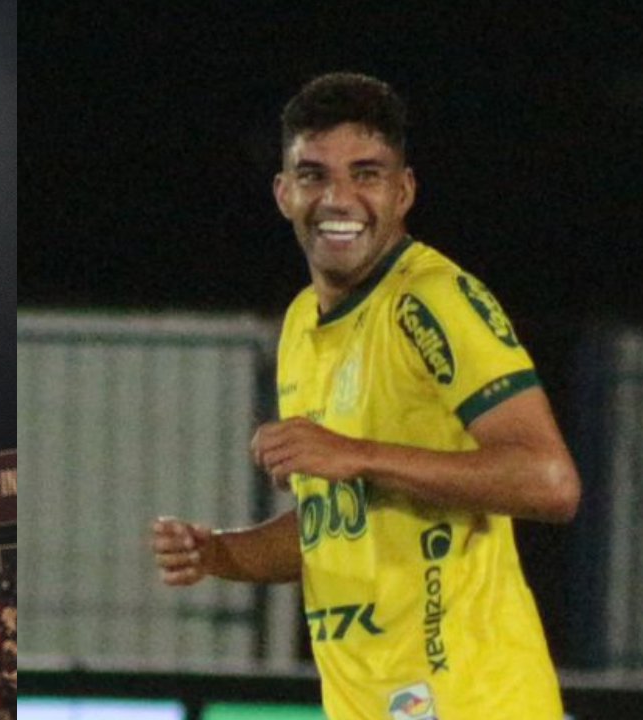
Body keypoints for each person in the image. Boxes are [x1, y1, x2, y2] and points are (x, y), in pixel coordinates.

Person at [150, 72, 580, 719]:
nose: (339, 198)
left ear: (403, 191)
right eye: (314, 174)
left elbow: (550, 482)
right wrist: (219, 552)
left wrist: (357, 454)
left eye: (367, 174)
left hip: (473, 703)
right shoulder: (301, 325)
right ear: (283, 193)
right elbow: (340, 528)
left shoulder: (431, 300)